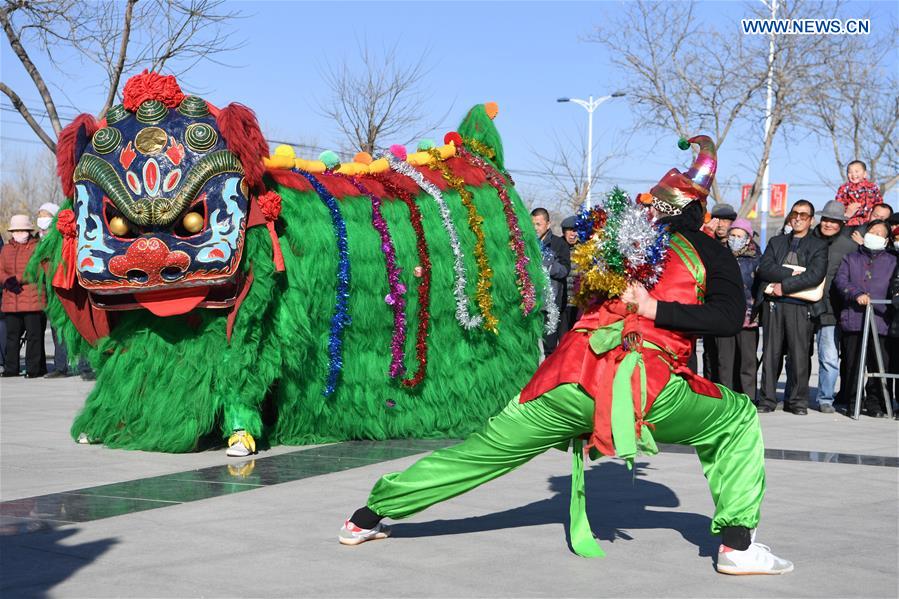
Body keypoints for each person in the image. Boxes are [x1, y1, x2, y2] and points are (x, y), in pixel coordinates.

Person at [339, 136, 793, 576]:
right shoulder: (707, 249)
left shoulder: (614, 246)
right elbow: (729, 318)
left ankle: (366, 516)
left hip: (566, 379)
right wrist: (656, 309)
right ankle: (737, 545)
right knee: (735, 419)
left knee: (482, 453)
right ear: (702, 213)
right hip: (639, 387)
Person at [756, 200, 827, 415]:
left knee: (799, 355)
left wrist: (784, 286)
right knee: (771, 354)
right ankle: (767, 400)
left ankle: (797, 402)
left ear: (811, 220)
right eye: (795, 213)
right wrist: (791, 273)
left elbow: (815, 275)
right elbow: (764, 269)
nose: (798, 218)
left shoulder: (818, 245)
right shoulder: (776, 242)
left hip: (801, 307)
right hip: (773, 305)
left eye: (804, 215)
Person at [834, 220, 895, 418]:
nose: (875, 235)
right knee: (853, 363)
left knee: (879, 363)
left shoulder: (893, 261)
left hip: (881, 320)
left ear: (886, 240)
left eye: (880, 233)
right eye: (872, 231)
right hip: (855, 319)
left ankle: (876, 403)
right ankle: (854, 401)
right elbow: (841, 280)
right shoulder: (850, 258)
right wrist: (856, 293)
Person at [811, 201, 858, 413]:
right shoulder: (808, 240)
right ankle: (797, 396)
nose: (829, 224)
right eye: (826, 219)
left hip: (833, 309)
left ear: (842, 223)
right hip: (804, 305)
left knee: (829, 356)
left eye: (834, 221)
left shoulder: (849, 246)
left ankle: (825, 398)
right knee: (797, 356)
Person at [715, 219, 760, 402]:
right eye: (732, 235)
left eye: (739, 236)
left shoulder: (756, 257)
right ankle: (726, 399)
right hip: (723, 316)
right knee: (724, 361)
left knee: (748, 362)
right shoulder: (719, 254)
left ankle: (748, 398)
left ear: (748, 238)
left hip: (748, 317)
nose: (735, 239)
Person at [1, 214, 47, 378]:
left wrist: (18, 279)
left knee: (34, 336)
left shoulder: (37, 247)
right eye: (16, 230)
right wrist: (6, 280)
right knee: (12, 337)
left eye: (23, 230)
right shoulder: (6, 249)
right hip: (11, 299)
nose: (19, 233)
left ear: (29, 231)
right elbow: (1, 269)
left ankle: (33, 369)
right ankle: (10, 368)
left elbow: (40, 270)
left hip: (32, 299)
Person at [35, 202, 71, 379]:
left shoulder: (61, 238)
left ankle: (86, 365)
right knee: (56, 329)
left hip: (63, 286)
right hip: (47, 289)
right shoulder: (38, 239)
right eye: (39, 216)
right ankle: (60, 366)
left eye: (45, 215)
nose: (41, 219)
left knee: (74, 328)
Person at [531, 207, 570, 356]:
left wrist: (547, 264)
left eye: (538, 224)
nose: (535, 228)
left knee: (550, 349)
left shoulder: (559, 244)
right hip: (532, 304)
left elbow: (564, 271)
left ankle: (548, 378)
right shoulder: (527, 243)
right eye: (532, 224)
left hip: (550, 305)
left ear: (548, 224)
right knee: (531, 347)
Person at [835, 160, 883, 228]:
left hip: (868, 220)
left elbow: (878, 201)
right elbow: (839, 202)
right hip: (850, 221)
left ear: (864, 174)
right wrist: (845, 214)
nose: (853, 174)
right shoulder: (844, 188)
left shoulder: (872, 187)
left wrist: (876, 215)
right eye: (850, 172)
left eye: (856, 171)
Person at [559, 215, 580, 333]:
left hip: (579, 303)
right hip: (563, 303)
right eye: (569, 230)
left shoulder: (585, 248)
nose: (573, 234)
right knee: (563, 339)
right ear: (564, 232)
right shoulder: (558, 247)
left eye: (575, 230)